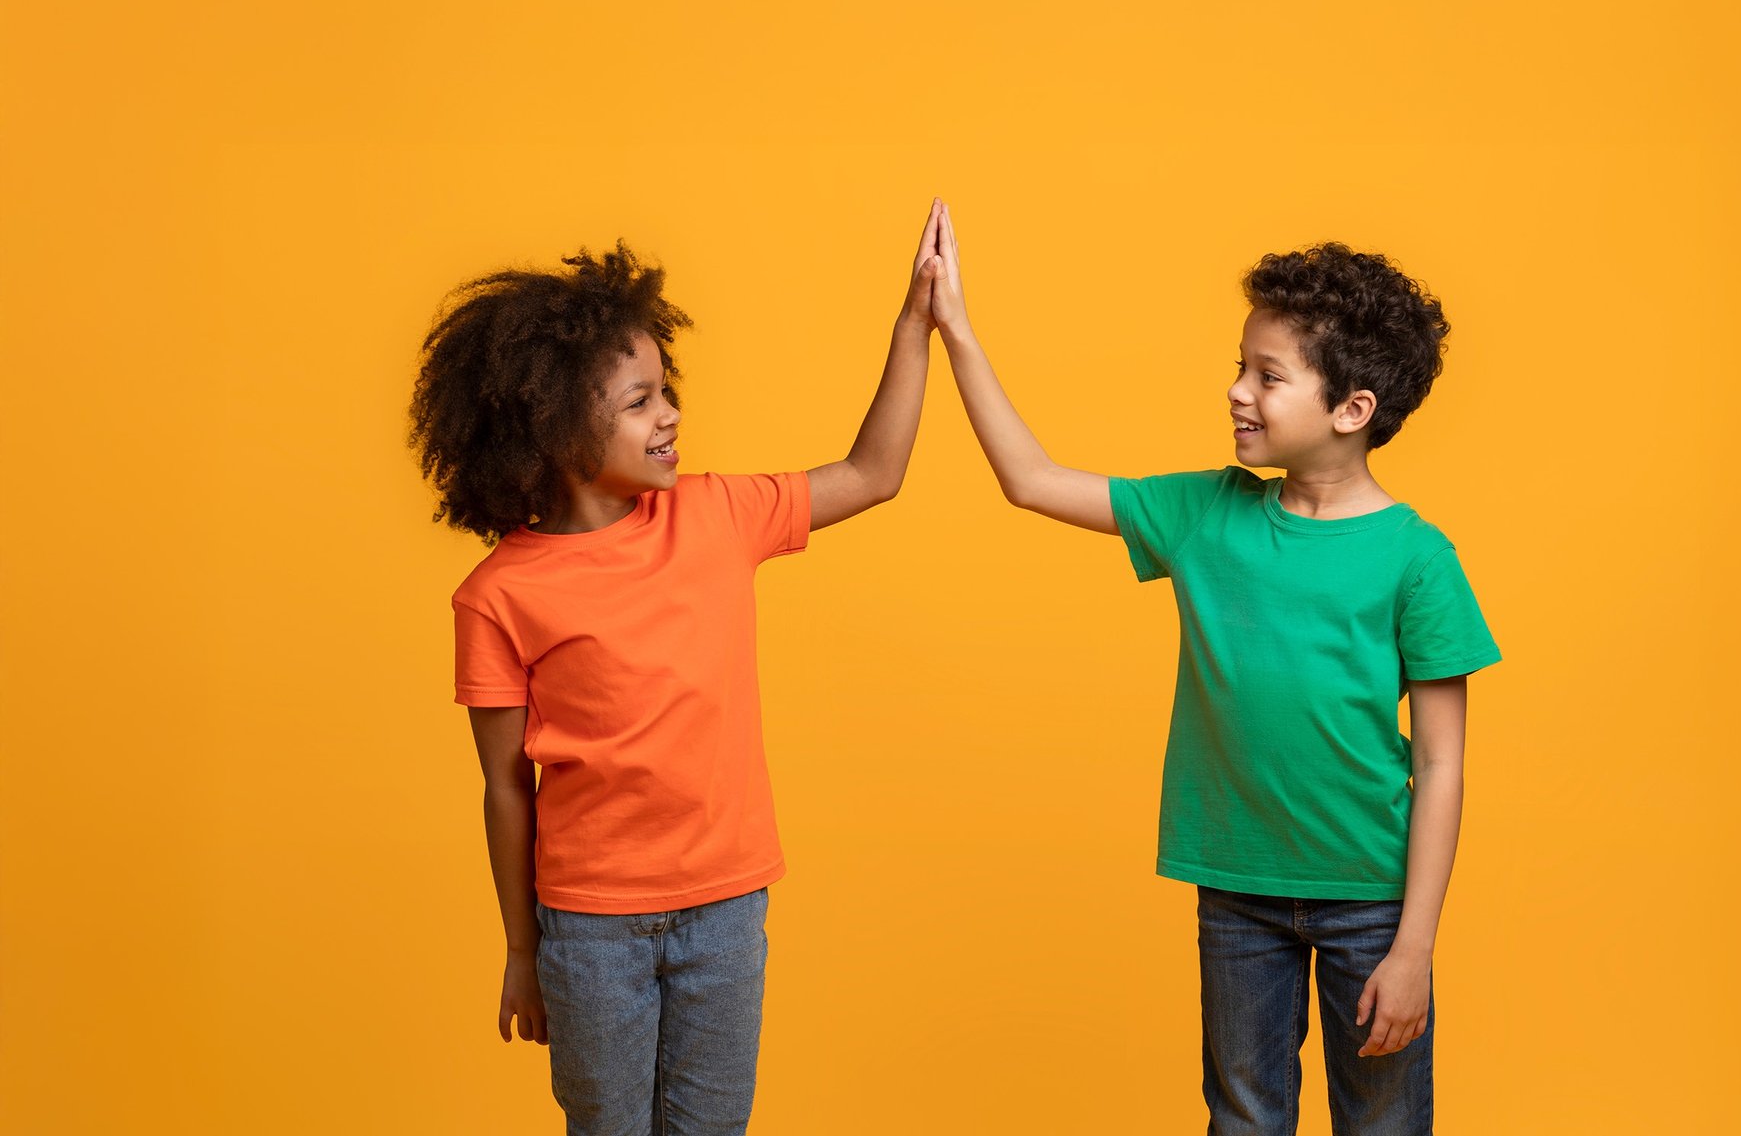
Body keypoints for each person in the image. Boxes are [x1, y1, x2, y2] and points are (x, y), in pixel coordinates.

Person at [925, 204, 1499, 1135]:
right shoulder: (1204, 514)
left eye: (1267, 375)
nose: (1237, 390)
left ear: (1352, 410)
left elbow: (1440, 763)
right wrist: (955, 327)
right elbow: (1030, 478)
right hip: (1237, 891)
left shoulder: (1417, 558)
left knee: (1384, 1124)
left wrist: (1414, 946)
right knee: (1243, 1118)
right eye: (1238, 366)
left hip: (1371, 903)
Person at [407, 202, 943, 1135]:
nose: (671, 413)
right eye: (641, 400)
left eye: (667, 389)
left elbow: (875, 470)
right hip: (590, 933)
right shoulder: (497, 595)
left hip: (726, 913)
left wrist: (913, 325)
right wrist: (523, 953)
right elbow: (505, 789)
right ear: (555, 428)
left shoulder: (717, 516)